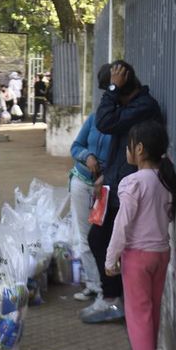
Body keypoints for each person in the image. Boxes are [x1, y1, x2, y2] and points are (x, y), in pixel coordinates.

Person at [81, 60, 163, 324]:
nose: (110, 97)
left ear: (122, 86)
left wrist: (113, 88)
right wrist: (106, 175)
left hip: (130, 188)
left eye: (112, 90)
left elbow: (104, 122)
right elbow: (117, 143)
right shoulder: (127, 106)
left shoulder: (144, 106)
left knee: (107, 240)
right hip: (113, 185)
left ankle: (114, 299)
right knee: (97, 237)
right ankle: (111, 297)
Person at [103, 121, 176, 350]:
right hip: (161, 254)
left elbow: (121, 224)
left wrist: (110, 257)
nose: (126, 150)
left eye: (128, 145)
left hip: (137, 256)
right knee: (152, 309)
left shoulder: (133, 182)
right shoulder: (165, 180)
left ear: (138, 149)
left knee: (137, 312)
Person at [69, 112, 111, 302]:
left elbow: (124, 159)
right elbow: (76, 147)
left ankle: (106, 288)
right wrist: (87, 156)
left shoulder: (120, 123)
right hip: (81, 181)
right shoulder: (95, 118)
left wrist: (106, 175)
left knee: (103, 238)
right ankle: (92, 285)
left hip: (107, 188)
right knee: (84, 237)